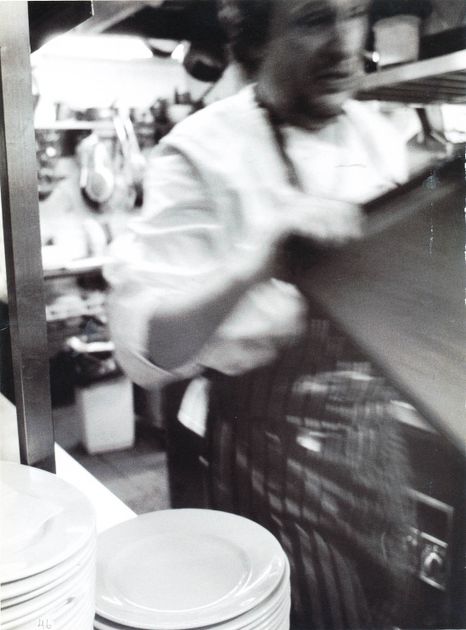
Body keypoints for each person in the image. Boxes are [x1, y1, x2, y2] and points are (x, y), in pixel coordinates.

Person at [105, 1, 414, 628]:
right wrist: (256, 259)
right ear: (255, 41)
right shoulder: (201, 150)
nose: (345, 44)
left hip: (373, 443)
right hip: (272, 454)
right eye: (314, 20)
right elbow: (148, 347)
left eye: (354, 13)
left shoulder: (378, 136)